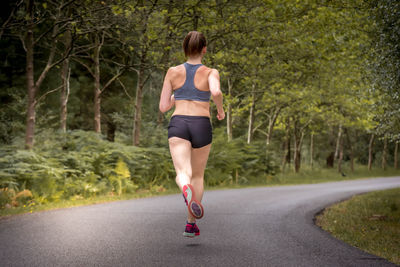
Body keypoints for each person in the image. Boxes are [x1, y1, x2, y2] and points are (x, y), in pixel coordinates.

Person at [159, 31, 225, 238]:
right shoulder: (211, 72)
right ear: (204, 49)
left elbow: (163, 107)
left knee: (182, 173)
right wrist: (221, 110)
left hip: (179, 123)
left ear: (184, 48)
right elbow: (215, 93)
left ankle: (184, 187)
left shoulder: (172, 71)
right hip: (201, 124)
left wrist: (173, 98)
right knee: (198, 174)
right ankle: (190, 224)